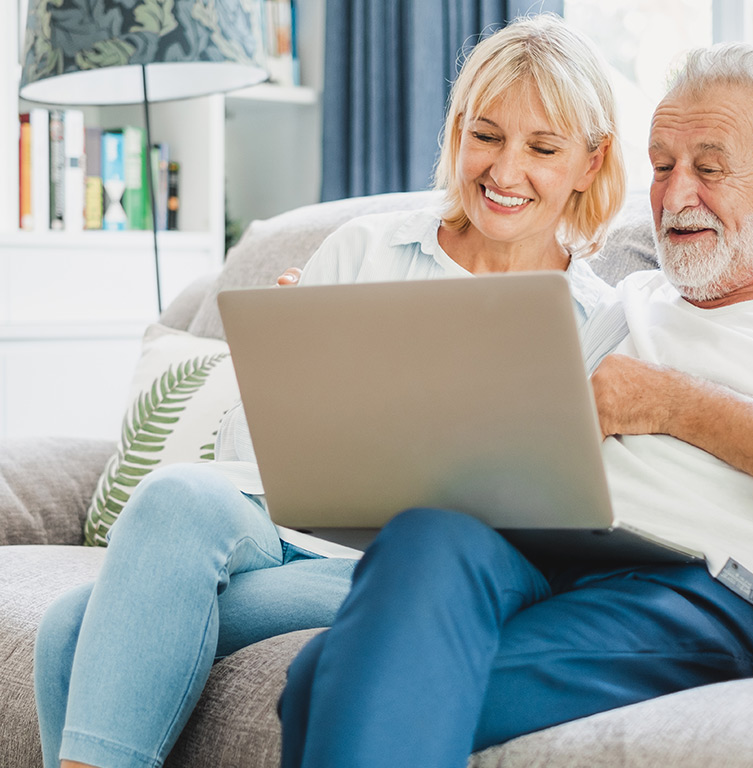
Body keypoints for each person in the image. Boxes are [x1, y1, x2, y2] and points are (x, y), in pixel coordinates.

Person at [276, 42, 753, 768]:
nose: (676, 194)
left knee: (324, 680)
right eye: (662, 166)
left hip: (694, 593)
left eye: (709, 168)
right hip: (541, 553)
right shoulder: (622, 300)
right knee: (427, 532)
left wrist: (673, 403)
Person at [33, 14, 627, 768]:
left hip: (400, 570)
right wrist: (285, 373)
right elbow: (248, 459)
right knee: (177, 493)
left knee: (73, 628)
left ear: (590, 161)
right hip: (279, 524)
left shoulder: (596, 323)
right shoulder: (368, 247)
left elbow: (570, 514)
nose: (506, 171)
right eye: (486, 135)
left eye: (542, 149)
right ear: (457, 133)